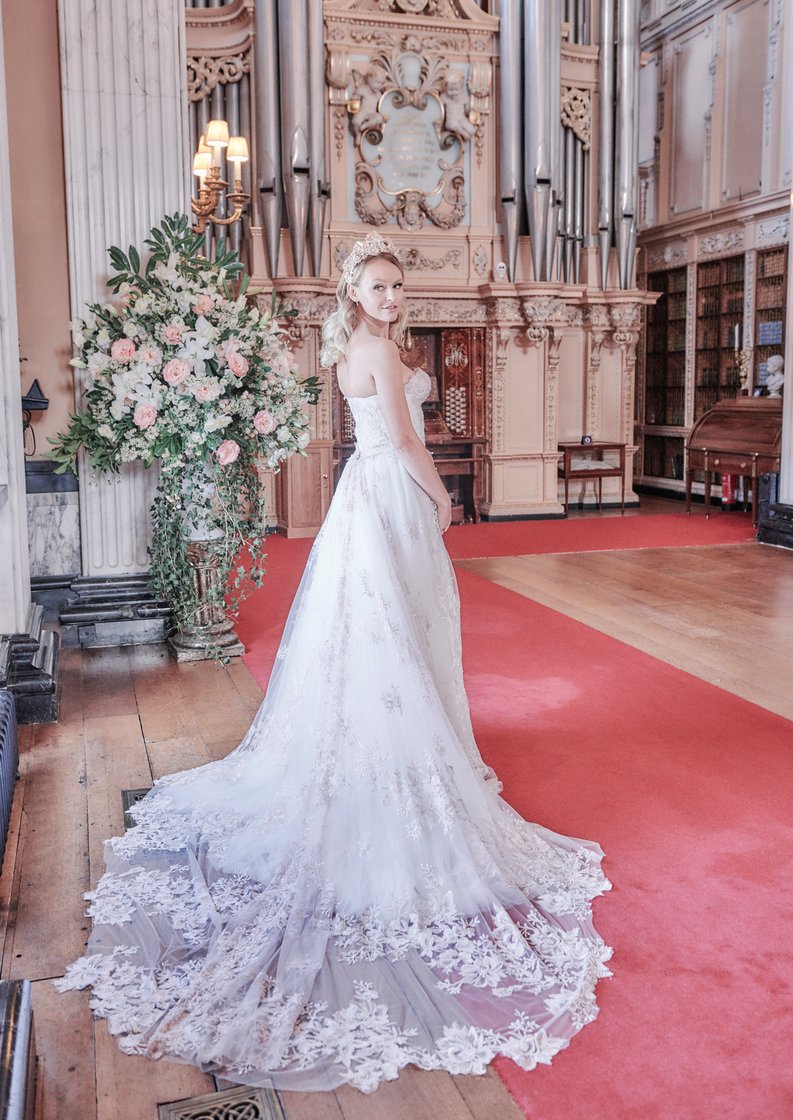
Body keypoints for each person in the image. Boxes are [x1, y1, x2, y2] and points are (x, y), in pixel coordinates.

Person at [57, 231, 612, 1094]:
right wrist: (446, 501)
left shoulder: (355, 347)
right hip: (389, 495)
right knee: (394, 630)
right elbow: (406, 443)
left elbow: (377, 437)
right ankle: (402, 758)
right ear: (356, 293)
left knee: (373, 635)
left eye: (397, 286)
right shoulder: (380, 351)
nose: (392, 297)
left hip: (362, 497)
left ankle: (382, 744)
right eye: (379, 286)